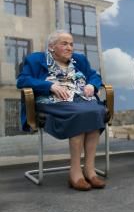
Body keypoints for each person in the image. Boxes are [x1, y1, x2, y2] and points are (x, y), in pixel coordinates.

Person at [17, 31, 107, 191]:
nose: (69, 47)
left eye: (71, 44)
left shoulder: (79, 60)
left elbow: (94, 75)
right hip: (53, 102)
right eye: (64, 44)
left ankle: (89, 169)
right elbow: (23, 80)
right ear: (51, 47)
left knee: (96, 111)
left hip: (80, 99)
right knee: (80, 114)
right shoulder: (36, 60)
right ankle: (75, 172)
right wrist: (49, 86)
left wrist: (91, 85)